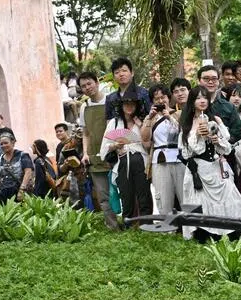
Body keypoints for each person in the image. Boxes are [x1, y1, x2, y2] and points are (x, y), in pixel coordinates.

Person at [178, 87, 241, 240]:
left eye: (205, 97)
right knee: (201, 200)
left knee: (228, 194)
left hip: (216, 166)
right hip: (199, 169)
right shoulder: (187, 123)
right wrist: (196, 135)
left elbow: (227, 148)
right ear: (192, 101)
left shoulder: (215, 120)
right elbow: (186, 153)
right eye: (198, 98)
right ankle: (205, 232)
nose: (202, 101)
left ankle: (232, 230)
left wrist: (218, 141)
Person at [101, 85, 151, 225]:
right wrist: (115, 145)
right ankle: (128, 225)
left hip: (140, 160)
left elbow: (148, 143)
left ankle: (147, 225)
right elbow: (105, 145)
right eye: (126, 103)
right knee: (126, 195)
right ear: (121, 105)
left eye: (132, 103)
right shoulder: (114, 123)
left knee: (144, 195)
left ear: (136, 106)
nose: (129, 106)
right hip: (122, 161)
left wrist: (141, 125)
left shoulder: (142, 122)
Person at [77, 71, 119, 229]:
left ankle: (132, 225)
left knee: (124, 192)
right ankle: (113, 226)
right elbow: (85, 133)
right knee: (103, 195)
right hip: (95, 156)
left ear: (97, 82)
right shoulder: (84, 107)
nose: (87, 88)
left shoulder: (112, 101)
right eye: (83, 86)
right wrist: (85, 153)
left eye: (89, 83)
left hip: (115, 153)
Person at [143, 84, 184, 217]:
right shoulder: (150, 118)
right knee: (163, 197)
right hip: (159, 160)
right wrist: (149, 118)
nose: (161, 101)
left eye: (163, 97)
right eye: (157, 99)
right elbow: (145, 140)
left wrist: (169, 116)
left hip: (180, 159)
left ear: (169, 97)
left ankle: (189, 231)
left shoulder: (179, 114)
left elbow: (184, 132)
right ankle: (167, 230)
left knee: (185, 195)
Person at [105, 57, 151, 123]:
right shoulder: (110, 98)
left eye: (124, 71)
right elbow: (109, 121)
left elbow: (151, 116)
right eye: (117, 72)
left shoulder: (144, 93)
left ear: (132, 73)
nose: (121, 74)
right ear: (114, 77)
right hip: (118, 132)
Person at [0, 133, 33, 203]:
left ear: (13, 142)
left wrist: (22, 190)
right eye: (1, 144)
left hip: (20, 190)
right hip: (4, 193)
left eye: (6, 143)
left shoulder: (22, 155)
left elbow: (28, 172)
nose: (3, 145)